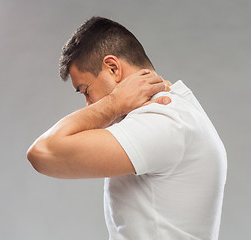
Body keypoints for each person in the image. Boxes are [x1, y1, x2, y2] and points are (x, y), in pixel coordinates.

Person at [27, 16, 227, 240]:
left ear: (112, 68)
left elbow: (43, 153)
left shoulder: (163, 120)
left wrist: (113, 102)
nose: (88, 104)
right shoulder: (178, 109)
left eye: (85, 90)